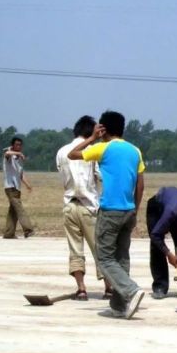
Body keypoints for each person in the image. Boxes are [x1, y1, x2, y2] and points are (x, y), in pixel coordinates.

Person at [67, 110, 145, 319]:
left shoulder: (102, 148)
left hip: (111, 210)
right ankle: (119, 306)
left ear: (103, 129)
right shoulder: (135, 151)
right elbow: (140, 184)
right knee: (121, 257)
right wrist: (135, 209)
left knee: (104, 258)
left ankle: (131, 291)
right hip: (129, 210)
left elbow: (72, 155)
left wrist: (92, 138)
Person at [56, 115, 111, 301]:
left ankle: (81, 289)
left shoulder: (61, 151)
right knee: (100, 249)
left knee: (75, 249)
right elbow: (100, 177)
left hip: (69, 205)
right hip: (89, 207)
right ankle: (109, 288)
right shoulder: (91, 150)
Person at [2, 136, 35, 239]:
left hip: (17, 187)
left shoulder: (19, 159)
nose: (19, 146)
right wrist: (18, 153)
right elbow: (7, 153)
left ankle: (9, 233)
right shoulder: (9, 156)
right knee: (19, 208)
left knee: (13, 211)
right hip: (10, 187)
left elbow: (20, 174)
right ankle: (28, 229)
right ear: (12, 145)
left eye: (20, 145)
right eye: (16, 144)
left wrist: (27, 185)